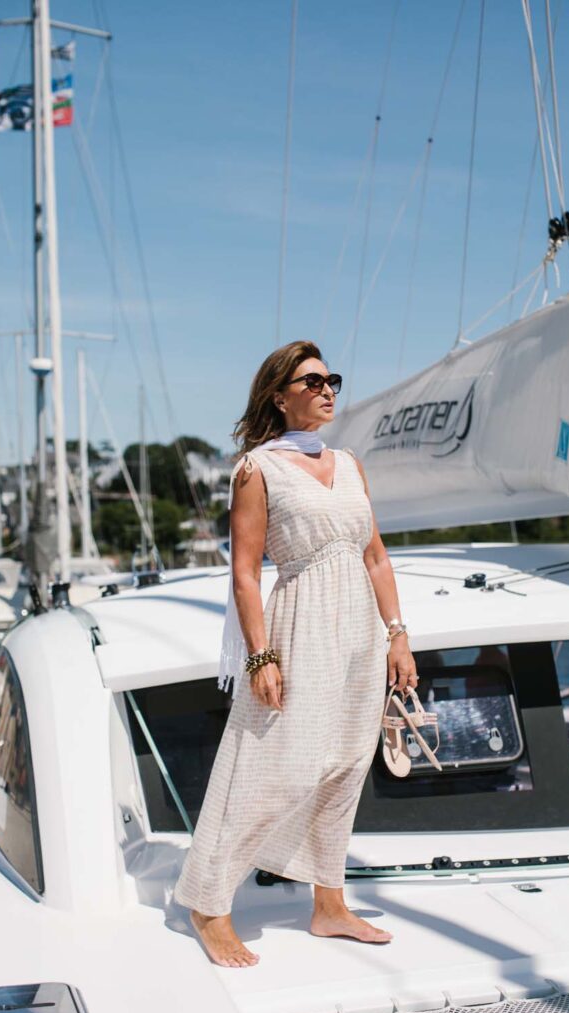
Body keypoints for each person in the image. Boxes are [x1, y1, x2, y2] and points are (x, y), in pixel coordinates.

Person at [172, 340, 419, 967]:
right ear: (279, 397)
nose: (326, 389)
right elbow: (246, 573)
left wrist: (397, 633)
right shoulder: (257, 470)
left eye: (331, 379)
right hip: (299, 624)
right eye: (311, 381)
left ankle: (329, 904)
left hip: (360, 634)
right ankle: (208, 903)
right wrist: (260, 657)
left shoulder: (350, 464)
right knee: (271, 768)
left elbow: (375, 556)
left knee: (345, 766)